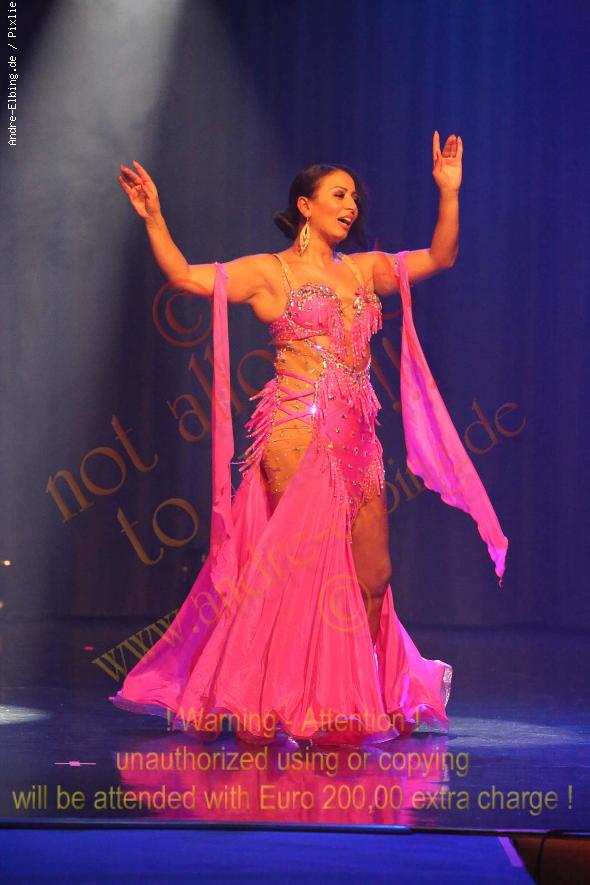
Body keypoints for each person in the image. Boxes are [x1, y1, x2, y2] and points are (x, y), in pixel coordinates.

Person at [110, 133, 508, 747]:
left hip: (361, 441)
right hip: (297, 431)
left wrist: (449, 193)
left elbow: (440, 257)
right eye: (339, 195)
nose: (351, 206)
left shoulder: (364, 270)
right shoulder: (269, 272)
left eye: (354, 198)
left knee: (374, 576)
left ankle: (356, 696)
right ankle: (285, 700)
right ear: (305, 205)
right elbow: (186, 278)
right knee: (309, 573)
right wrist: (154, 218)